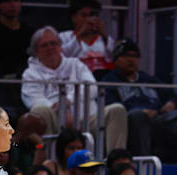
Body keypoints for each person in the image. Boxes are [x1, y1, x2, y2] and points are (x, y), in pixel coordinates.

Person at [21, 25, 127, 153]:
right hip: (54, 120)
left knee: (117, 110)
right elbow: (33, 100)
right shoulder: (30, 73)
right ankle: (50, 163)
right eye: (44, 45)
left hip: (87, 119)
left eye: (53, 43)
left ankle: (116, 162)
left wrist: (69, 101)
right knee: (39, 110)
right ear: (36, 51)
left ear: (61, 47)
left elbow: (92, 87)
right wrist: (61, 111)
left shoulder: (75, 64)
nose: (50, 48)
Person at [103, 38, 177, 163]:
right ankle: (143, 165)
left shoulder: (148, 79)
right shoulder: (109, 81)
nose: (131, 60)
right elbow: (111, 106)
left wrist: (171, 103)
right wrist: (140, 110)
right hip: (131, 120)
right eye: (126, 56)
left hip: (159, 116)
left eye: (135, 56)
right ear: (116, 60)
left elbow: (174, 96)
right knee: (137, 116)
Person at [60, 0, 115, 79]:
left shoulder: (105, 39)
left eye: (92, 15)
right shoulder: (64, 37)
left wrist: (103, 34)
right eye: (84, 15)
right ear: (73, 18)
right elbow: (61, 58)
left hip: (103, 84)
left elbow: (116, 59)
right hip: (75, 83)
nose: (88, 19)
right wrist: (80, 34)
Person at [0, 0, 34, 77]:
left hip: (25, 81)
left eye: (16, 1)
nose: (12, 5)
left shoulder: (30, 32)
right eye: (7, 1)